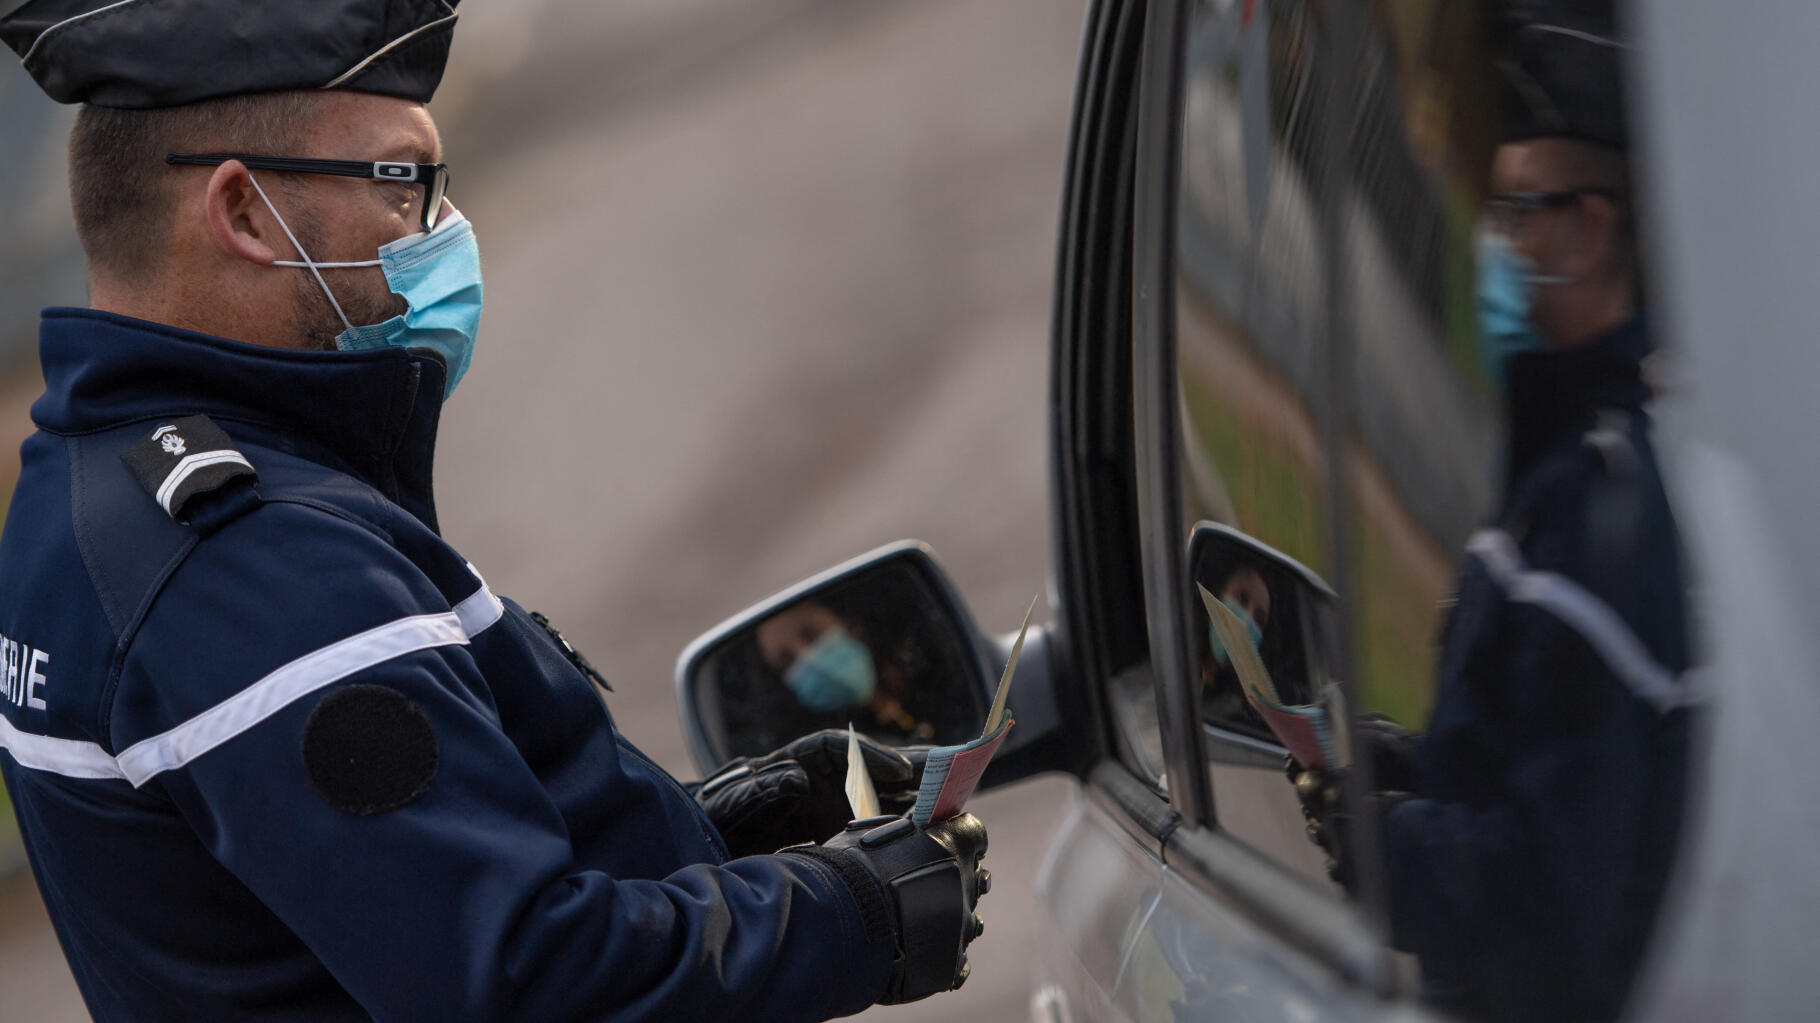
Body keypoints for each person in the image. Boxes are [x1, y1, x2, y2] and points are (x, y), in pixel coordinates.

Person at [0, 2, 988, 1020]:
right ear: (244, 212)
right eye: (405, 184)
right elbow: (519, 982)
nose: (441, 230)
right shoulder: (258, 567)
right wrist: (847, 914)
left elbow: (360, 895)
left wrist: (730, 827)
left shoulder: (80, 490)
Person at [1294, 4, 1693, 1020]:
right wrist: (1411, 768)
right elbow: (1552, 755)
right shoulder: (1587, 465)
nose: (1497, 250)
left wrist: (1375, 842)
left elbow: (1547, 905)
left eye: (1518, 214)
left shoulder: (1596, 517)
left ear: (1589, 229)